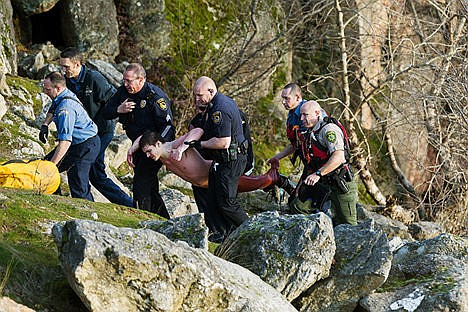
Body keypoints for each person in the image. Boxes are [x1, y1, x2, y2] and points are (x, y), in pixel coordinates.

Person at [39, 47, 133, 207]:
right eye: (61, 66)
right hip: (83, 133)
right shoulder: (66, 81)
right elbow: (58, 100)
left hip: (102, 130)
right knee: (85, 170)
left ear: (77, 65)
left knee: (94, 172)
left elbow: (113, 99)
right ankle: (62, 199)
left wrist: (120, 112)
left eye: (66, 67)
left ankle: (127, 205)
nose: (63, 70)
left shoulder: (94, 79)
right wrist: (45, 124)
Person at [102, 63, 175, 218]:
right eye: (124, 81)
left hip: (152, 148)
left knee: (141, 184)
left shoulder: (155, 97)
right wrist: (118, 110)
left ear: (141, 80)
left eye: (129, 81)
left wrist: (157, 145)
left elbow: (168, 127)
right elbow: (106, 112)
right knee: (149, 187)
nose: (126, 84)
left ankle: (142, 217)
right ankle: (164, 221)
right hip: (136, 146)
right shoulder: (123, 92)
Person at [129, 129, 287, 193]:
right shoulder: (161, 158)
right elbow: (145, 135)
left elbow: (198, 131)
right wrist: (131, 150)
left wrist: (183, 148)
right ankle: (275, 181)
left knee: (262, 181)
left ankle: (276, 177)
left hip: (216, 175)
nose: (148, 156)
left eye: (149, 151)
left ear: (158, 144)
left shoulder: (174, 146)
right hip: (206, 187)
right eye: (146, 153)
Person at [188, 76, 249, 242]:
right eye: (195, 95)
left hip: (231, 159)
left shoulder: (219, 109)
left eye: (200, 95)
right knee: (213, 198)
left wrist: (201, 144)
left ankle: (250, 231)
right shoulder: (221, 102)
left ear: (211, 91)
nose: (197, 99)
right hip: (223, 159)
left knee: (227, 202)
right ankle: (221, 235)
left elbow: (223, 142)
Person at [292, 100, 357, 225]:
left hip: (340, 183)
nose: (301, 118)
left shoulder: (328, 130)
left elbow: (339, 157)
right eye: (301, 115)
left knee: (348, 225)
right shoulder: (310, 130)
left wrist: (317, 174)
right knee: (298, 206)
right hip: (323, 183)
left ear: (317, 113)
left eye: (305, 115)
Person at [42, 71, 100, 201]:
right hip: (77, 142)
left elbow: (65, 142)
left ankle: (88, 213)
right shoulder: (62, 95)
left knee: (77, 179)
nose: (45, 92)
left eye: (47, 89)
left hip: (87, 144)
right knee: (44, 164)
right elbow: (54, 105)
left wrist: (51, 167)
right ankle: (55, 199)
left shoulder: (66, 110)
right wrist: (45, 124)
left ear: (58, 88)